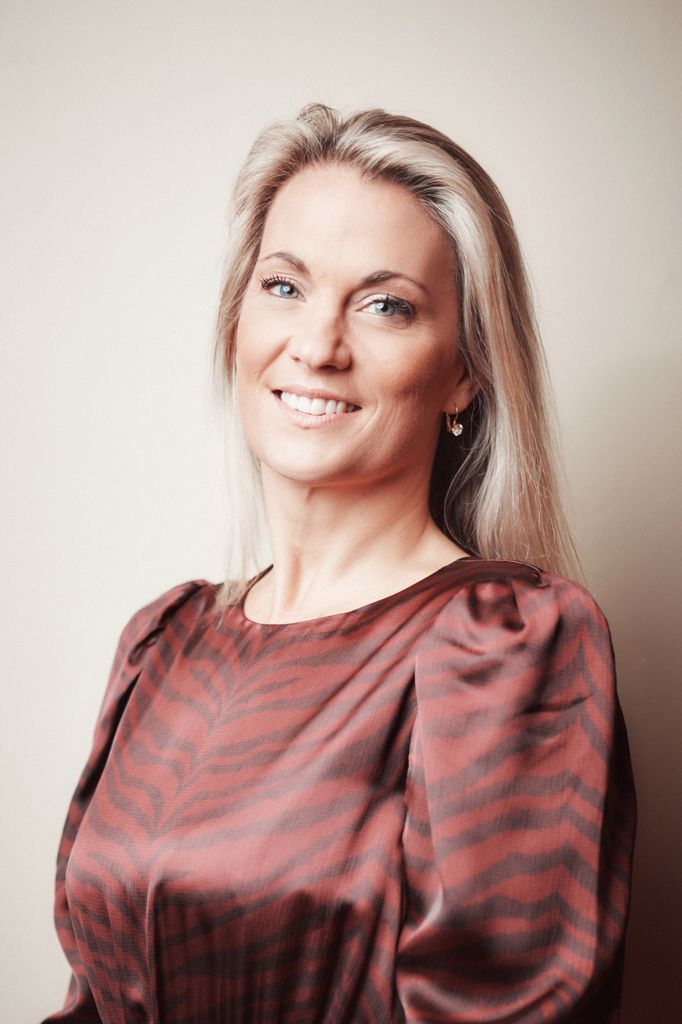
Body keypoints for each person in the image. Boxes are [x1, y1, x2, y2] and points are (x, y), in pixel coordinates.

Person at [42, 103, 637, 1023]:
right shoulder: (160, 644)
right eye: (285, 287)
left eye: (386, 304)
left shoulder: (506, 646)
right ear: (239, 318)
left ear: (464, 372)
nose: (317, 346)